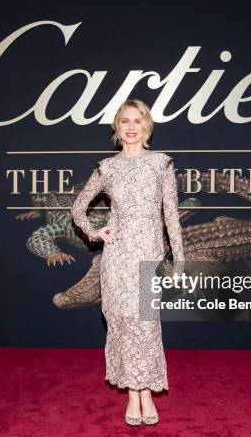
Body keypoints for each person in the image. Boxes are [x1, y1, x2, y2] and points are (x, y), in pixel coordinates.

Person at [71, 99, 185, 426]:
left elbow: (171, 217)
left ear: (146, 126)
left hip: (148, 256)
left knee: (147, 326)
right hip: (117, 258)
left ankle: (146, 390)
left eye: (137, 121)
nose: (131, 127)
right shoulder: (108, 168)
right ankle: (134, 396)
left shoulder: (160, 164)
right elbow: (78, 209)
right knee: (121, 324)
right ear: (117, 127)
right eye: (125, 121)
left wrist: (179, 261)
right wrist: (95, 232)